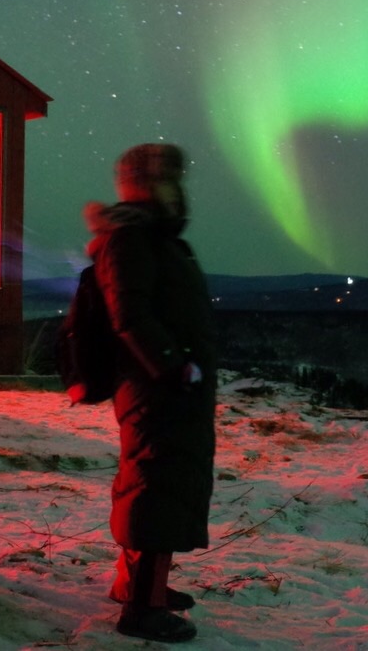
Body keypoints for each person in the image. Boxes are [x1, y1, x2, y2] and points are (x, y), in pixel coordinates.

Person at [84, 143, 216, 644]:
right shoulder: (132, 238)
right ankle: (142, 608)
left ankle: (141, 586)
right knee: (156, 487)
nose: (177, 188)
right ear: (147, 183)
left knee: (163, 483)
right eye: (167, 178)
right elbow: (130, 315)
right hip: (156, 386)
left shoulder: (152, 237)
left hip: (167, 385)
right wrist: (173, 368)